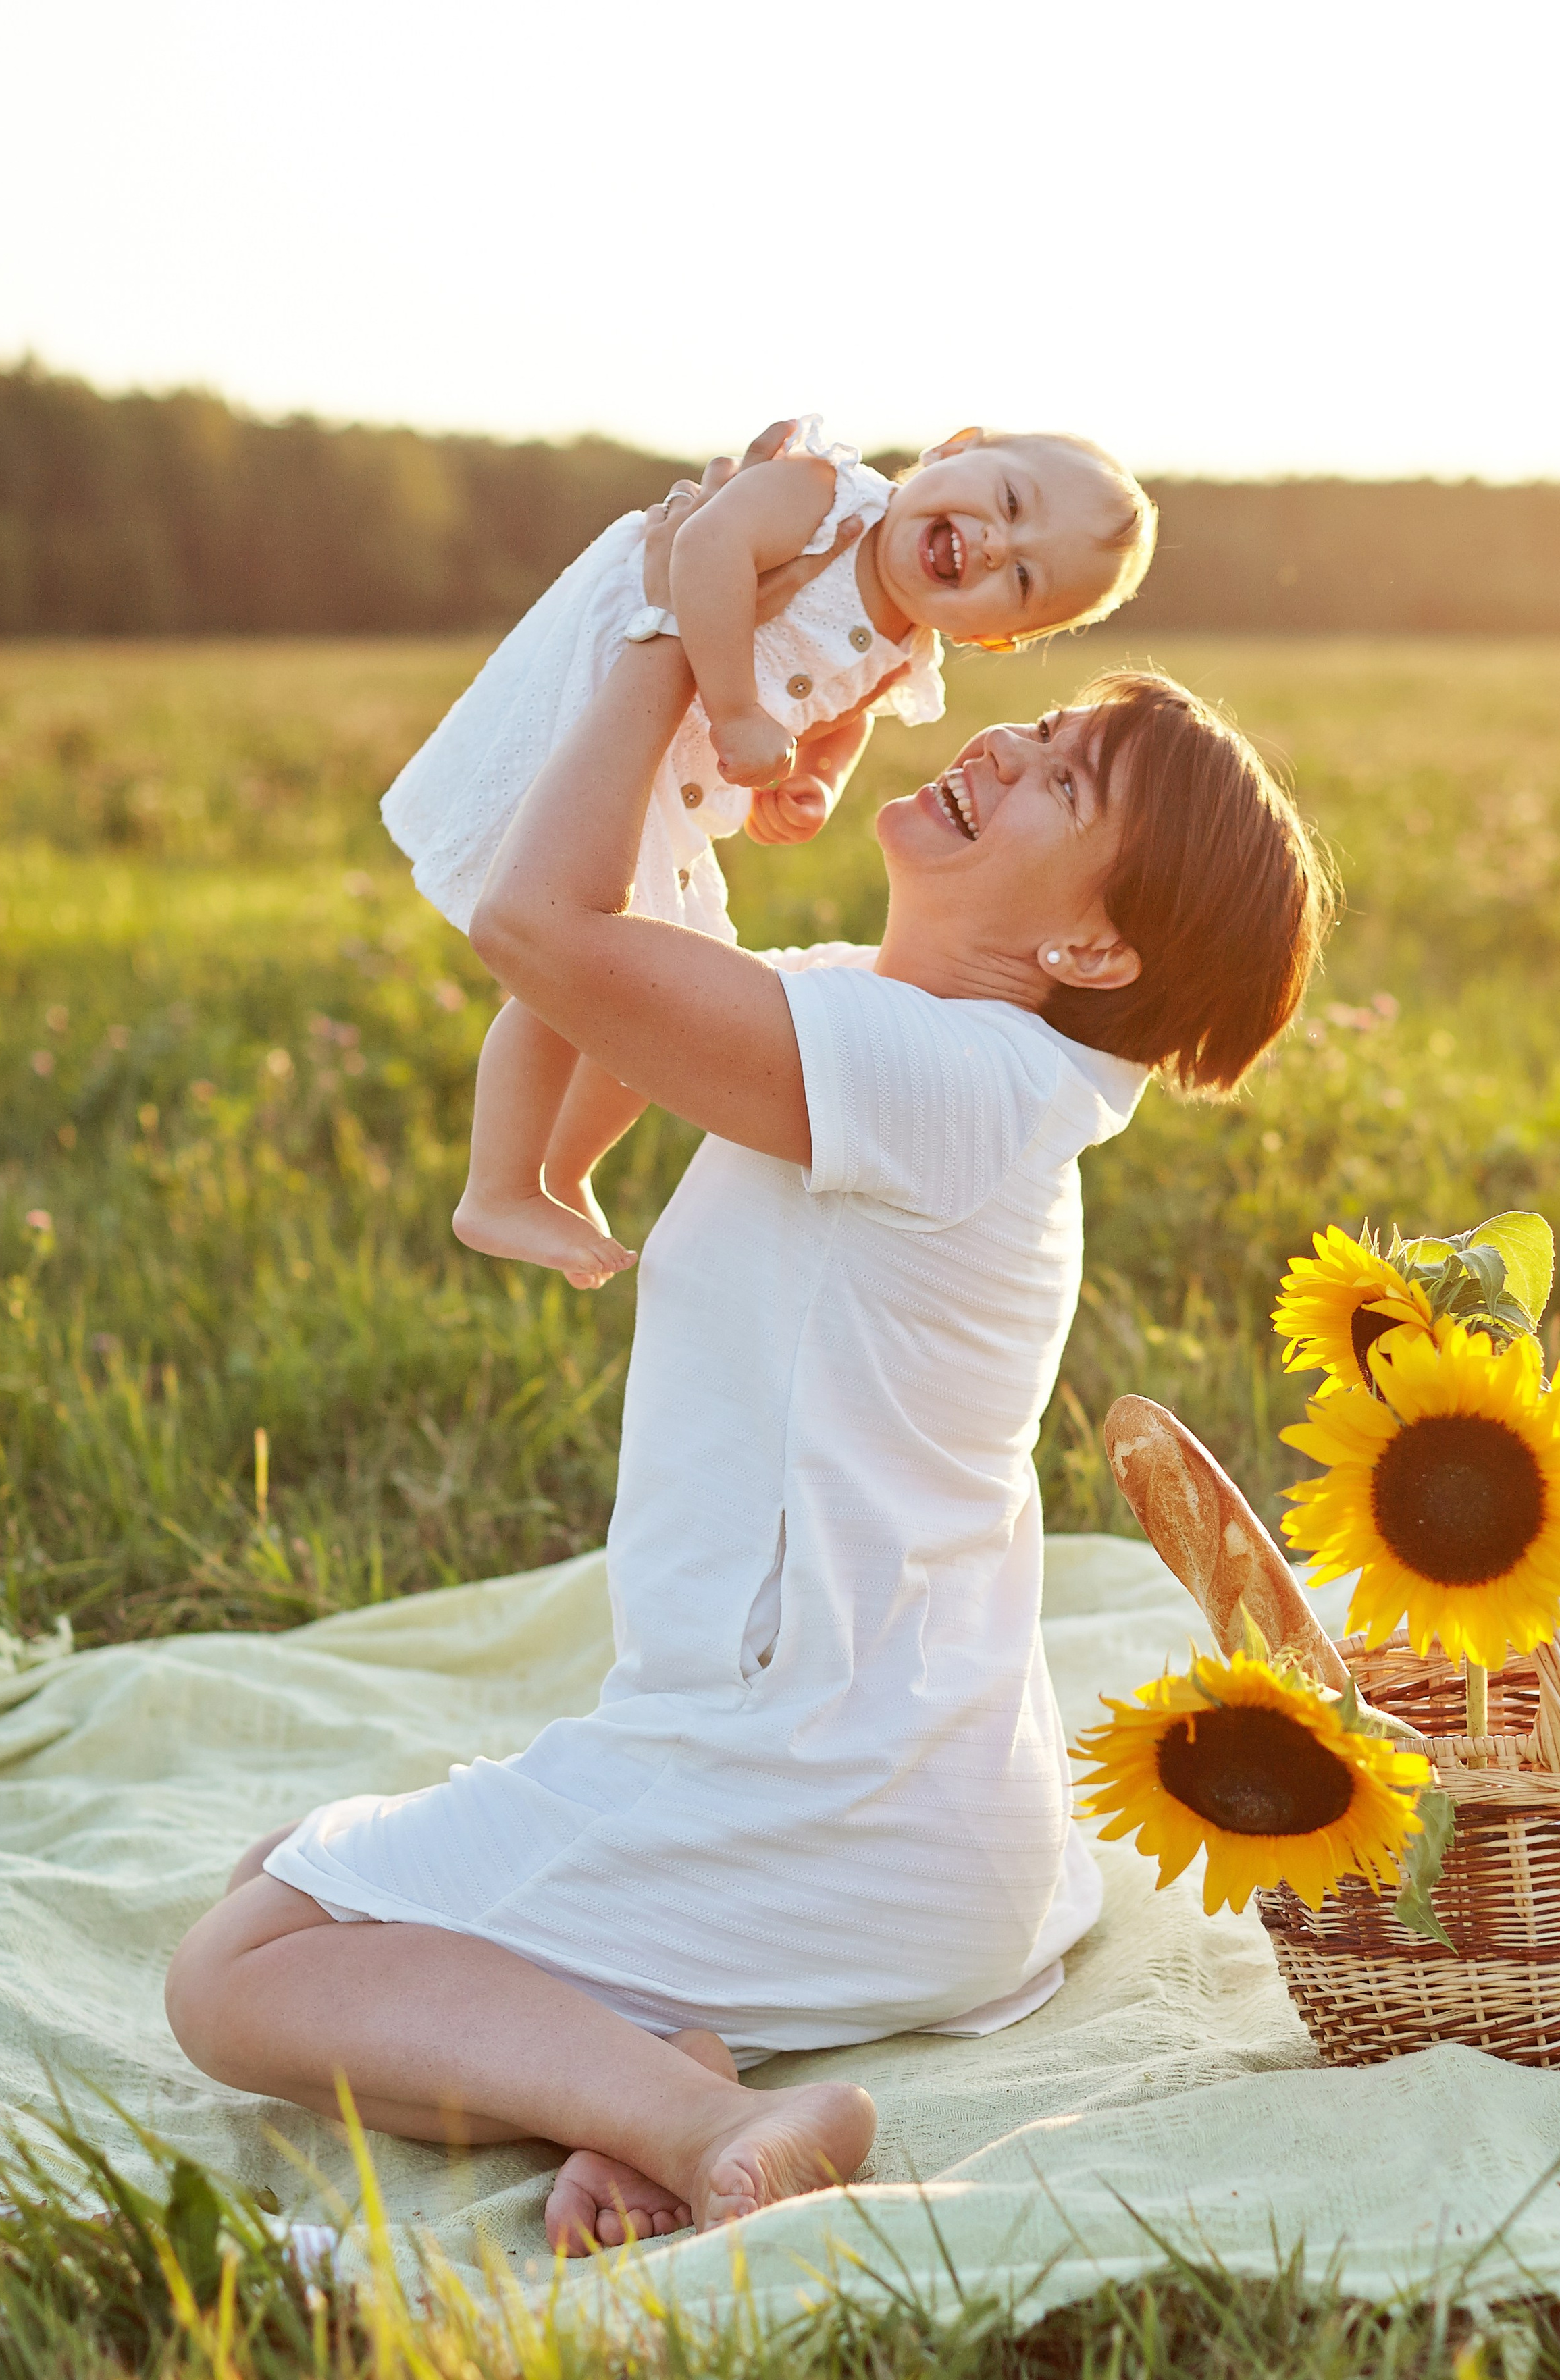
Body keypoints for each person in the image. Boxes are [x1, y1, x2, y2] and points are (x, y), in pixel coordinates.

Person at [167, 442, 1334, 2256]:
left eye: (1061, 777)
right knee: (294, 1892)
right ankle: (651, 2048)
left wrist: (670, 605)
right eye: (1039, 725)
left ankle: (706, 2117)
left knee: (238, 1976)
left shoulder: (947, 1084)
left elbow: (539, 928)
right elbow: (618, 957)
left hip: (822, 1799)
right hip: (906, 1799)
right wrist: (749, 731)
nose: (1001, 742)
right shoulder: (903, 1029)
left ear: (1093, 943)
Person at [381, 416, 1157, 1287]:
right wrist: (739, 706)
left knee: (665, 978)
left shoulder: (906, 651)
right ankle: (499, 1187)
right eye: (1007, 501)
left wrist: (812, 780)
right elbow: (703, 549)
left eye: (1020, 577)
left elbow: (843, 716)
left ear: (998, 639)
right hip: (607, 685)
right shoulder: (829, 500)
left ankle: (562, 1170)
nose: (988, 544)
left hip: (663, 768)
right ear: (955, 450)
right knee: (581, 958)